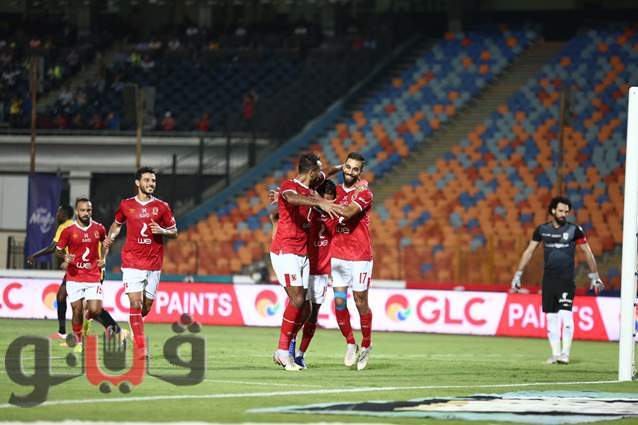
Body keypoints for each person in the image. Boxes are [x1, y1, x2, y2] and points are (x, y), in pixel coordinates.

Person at [270, 153, 343, 371]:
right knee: (298, 299)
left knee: (305, 308)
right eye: (318, 171)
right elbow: (291, 198)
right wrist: (319, 201)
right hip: (286, 250)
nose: (320, 174)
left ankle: (283, 350)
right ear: (310, 172)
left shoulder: (312, 184)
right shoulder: (289, 186)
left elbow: (328, 172)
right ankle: (283, 352)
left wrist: (344, 166)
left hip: (302, 253)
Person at [511, 196, 605, 365]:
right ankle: (555, 354)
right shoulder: (542, 230)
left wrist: (595, 276)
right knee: (551, 317)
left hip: (566, 279)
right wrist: (518, 274)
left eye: (566, 212)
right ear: (553, 210)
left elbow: (587, 252)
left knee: (566, 315)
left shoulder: (575, 230)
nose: (564, 214)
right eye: (561, 211)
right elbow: (529, 251)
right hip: (548, 280)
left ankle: (565, 354)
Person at [103, 167, 177, 358]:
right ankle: (141, 347)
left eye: (153, 181)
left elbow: (174, 231)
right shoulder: (126, 205)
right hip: (132, 261)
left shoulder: (162, 206)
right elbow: (117, 224)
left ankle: (126, 330)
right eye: (147, 180)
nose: (151, 184)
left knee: (145, 307)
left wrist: (162, 230)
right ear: (138, 183)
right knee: (135, 303)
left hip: (154, 263)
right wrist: (111, 238)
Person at [331, 152, 374, 370]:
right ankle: (350, 342)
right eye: (347, 167)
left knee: (360, 301)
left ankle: (366, 344)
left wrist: (325, 205)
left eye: (355, 169)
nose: (350, 171)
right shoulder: (333, 192)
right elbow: (314, 184)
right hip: (338, 254)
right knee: (339, 302)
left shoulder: (365, 193)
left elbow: (348, 212)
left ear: (360, 172)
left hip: (360, 256)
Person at [54, 199, 106, 352]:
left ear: (91, 211)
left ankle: (87, 319)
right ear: (77, 211)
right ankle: (78, 341)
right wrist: (65, 257)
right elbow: (58, 250)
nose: (86, 213)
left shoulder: (99, 228)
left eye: (88, 210)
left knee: (95, 310)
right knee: (76, 310)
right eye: (83, 210)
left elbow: (105, 244)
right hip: (74, 276)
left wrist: (103, 259)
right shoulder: (68, 231)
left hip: (93, 275)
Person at [27, 204, 74, 339]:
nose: (56, 215)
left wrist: (34, 256)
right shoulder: (74, 224)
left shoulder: (64, 227)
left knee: (89, 306)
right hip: (75, 267)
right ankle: (62, 332)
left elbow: (52, 248)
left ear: (64, 214)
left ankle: (113, 328)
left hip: (77, 268)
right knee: (61, 296)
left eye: (59, 212)